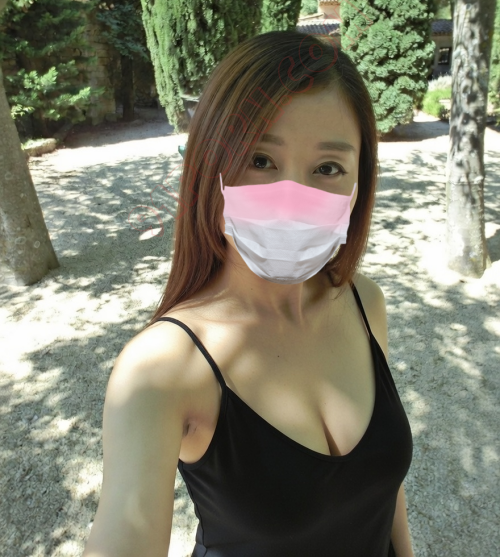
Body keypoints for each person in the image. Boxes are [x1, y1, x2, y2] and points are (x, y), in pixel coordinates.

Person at [82, 31, 414, 557]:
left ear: (358, 184)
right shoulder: (162, 370)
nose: (292, 199)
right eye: (260, 160)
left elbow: (383, 492)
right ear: (211, 167)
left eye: (328, 168)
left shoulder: (365, 303)